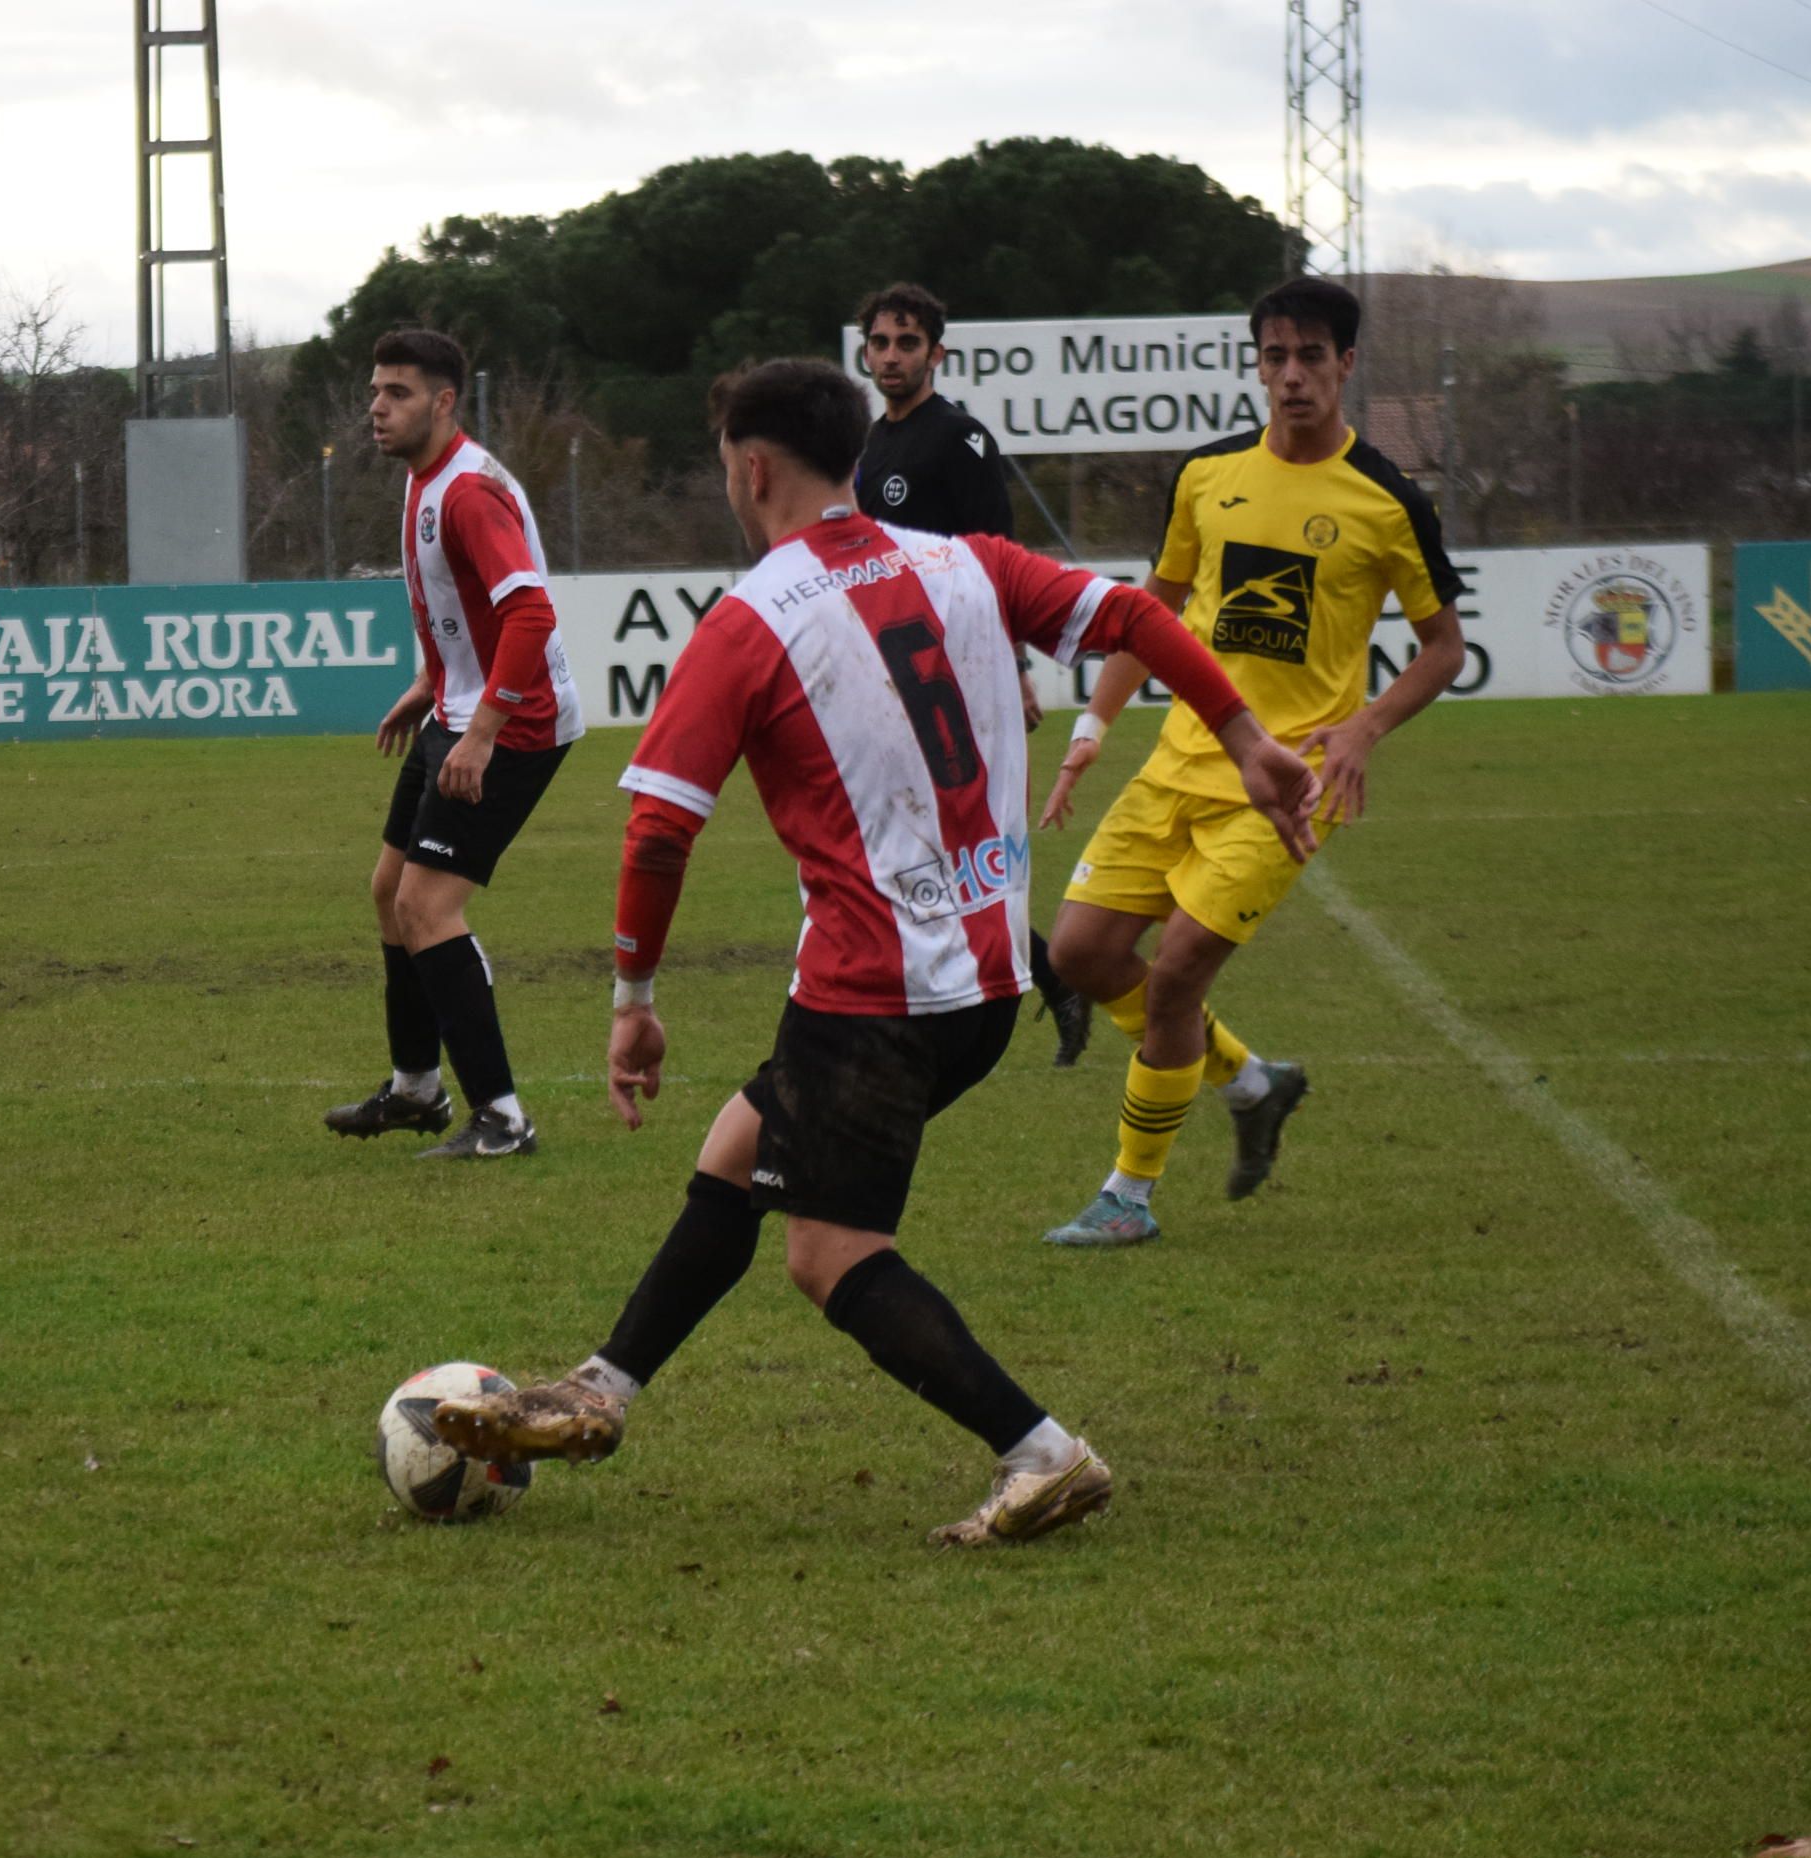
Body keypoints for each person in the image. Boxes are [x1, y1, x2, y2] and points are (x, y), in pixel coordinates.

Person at [430, 360, 1318, 1544]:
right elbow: (1137, 616)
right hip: (993, 974)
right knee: (738, 1148)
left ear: (750, 467)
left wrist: (632, 998)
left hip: (872, 993)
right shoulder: (965, 561)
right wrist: (1247, 735)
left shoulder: (748, 622)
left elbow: (658, 827)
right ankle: (602, 1390)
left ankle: (1041, 1453)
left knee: (829, 1252)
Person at [1034, 276, 1466, 1248]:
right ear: (1257, 364)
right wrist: (1091, 731)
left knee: (1178, 969)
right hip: (1176, 762)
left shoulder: (1387, 500)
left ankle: (1128, 1196)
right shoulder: (1205, 477)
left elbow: (1443, 645)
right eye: (1275, 355)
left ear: (1345, 364)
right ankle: (1252, 1083)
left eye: (1312, 354)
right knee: (1078, 955)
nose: (1292, 373)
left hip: (1286, 787)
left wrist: (1361, 728)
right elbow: (1146, 616)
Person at [322, 328, 586, 1161]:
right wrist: (432, 685)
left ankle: (502, 1118)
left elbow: (530, 613)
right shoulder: (425, 478)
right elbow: (459, 607)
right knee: (390, 889)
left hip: (518, 724)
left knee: (428, 909)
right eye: (374, 390)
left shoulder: (469, 492)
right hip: (460, 710)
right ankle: (416, 1090)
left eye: (396, 393)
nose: (376, 407)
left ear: (443, 402)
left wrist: (481, 731)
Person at [853, 281, 1092, 1067]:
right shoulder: (871, 445)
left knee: (945, 843)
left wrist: (1014, 668)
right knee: (914, 843)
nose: (892, 355)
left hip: (953, 669)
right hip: (889, 668)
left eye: (907, 343)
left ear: (937, 353)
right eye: (881, 342)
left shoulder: (958, 439)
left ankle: (1013, 979)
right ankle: (1042, 974)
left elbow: (1000, 559)